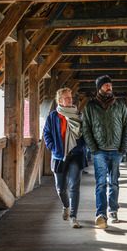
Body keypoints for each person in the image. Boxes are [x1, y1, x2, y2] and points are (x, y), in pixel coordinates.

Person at [83, 75, 127, 229]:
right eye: (105, 85)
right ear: (99, 88)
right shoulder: (90, 106)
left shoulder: (120, 106)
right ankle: (101, 214)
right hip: (100, 152)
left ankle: (113, 211)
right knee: (101, 183)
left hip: (116, 151)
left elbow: (126, 128)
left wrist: (123, 150)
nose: (109, 87)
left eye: (110, 85)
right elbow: (86, 130)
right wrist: (94, 150)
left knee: (115, 183)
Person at [43, 88, 87, 229]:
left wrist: (82, 145)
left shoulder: (79, 115)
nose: (70, 99)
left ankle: (73, 216)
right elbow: (46, 133)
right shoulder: (53, 116)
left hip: (76, 155)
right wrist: (53, 147)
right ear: (60, 100)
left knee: (74, 186)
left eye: (70, 97)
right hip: (59, 155)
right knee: (60, 189)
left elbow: (86, 133)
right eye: (66, 97)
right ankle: (66, 206)